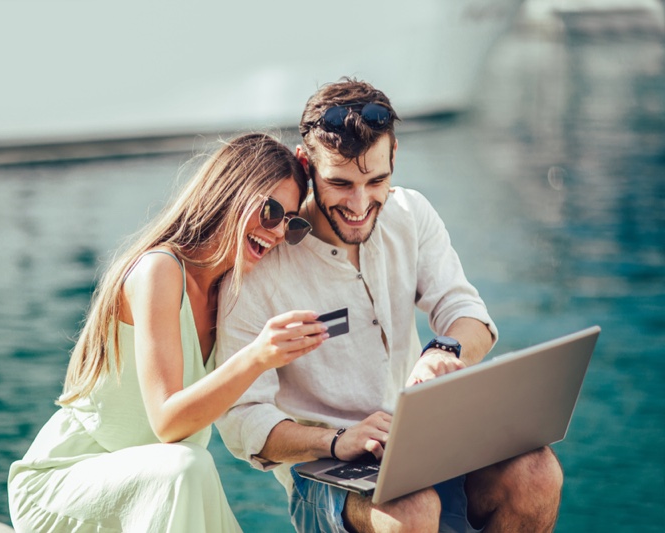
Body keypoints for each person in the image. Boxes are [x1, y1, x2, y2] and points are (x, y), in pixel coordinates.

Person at [215, 80, 565, 532]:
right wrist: (338, 440)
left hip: (426, 442)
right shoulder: (260, 268)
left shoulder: (412, 214)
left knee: (537, 473)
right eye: (340, 184)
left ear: (394, 156)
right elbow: (243, 421)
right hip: (330, 472)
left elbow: (467, 312)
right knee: (412, 509)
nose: (360, 204)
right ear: (306, 165)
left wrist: (445, 350)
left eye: (376, 181)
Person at [7, 133, 331, 533]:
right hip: (65, 488)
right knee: (190, 467)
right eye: (271, 211)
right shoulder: (159, 270)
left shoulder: (230, 292)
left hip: (155, 491)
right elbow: (167, 423)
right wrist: (257, 356)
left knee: (193, 471)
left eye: (292, 222)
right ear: (230, 192)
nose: (279, 232)